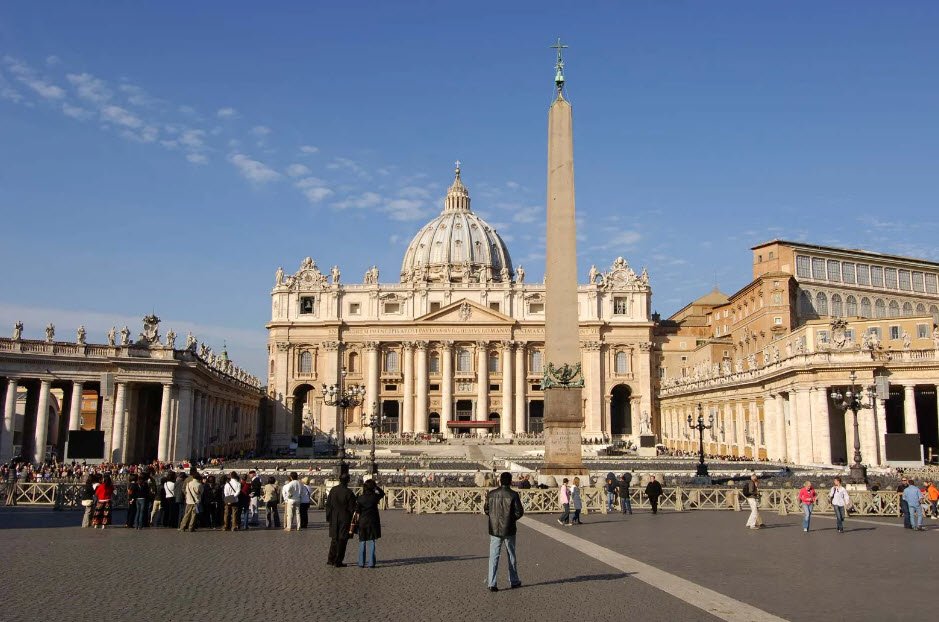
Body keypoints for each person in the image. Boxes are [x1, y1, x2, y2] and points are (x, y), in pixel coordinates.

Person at [484, 471, 524, 592]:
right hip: (509, 529)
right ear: (511, 481)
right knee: (511, 555)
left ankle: (492, 582)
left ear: (500, 481)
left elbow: (486, 510)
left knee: (493, 556)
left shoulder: (491, 494)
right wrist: (510, 520)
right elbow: (519, 512)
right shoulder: (513, 494)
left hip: (495, 529)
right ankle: (514, 580)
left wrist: (494, 518)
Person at [325, 473, 357, 567]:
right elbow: (352, 508)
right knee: (342, 540)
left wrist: (328, 516)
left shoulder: (333, 490)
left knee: (334, 539)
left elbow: (328, 504)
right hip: (344, 518)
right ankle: (338, 561)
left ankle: (331, 559)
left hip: (334, 517)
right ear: (348, 481)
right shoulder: (349, 492)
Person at [356, 478, 385, 568]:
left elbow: (357, 510)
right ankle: (371, 562)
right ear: (372, 487)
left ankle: (361, 562)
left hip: (362, 521)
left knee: (362, 541)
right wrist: (376, 487)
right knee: (372, 541)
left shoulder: (360, 498)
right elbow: (382, 493)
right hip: (373, 521)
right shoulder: (375, 497)